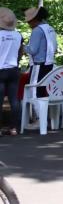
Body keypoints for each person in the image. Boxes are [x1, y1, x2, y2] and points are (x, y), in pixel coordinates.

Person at [24, 6, 57, 97]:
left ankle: (36, 106)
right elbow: (55, 46)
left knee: (35, 91)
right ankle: (44, 106)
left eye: (28, 21)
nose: (28, 23)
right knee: (43, 89)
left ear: (34, 20)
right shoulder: (50, 28)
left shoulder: (37, 30)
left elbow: (32, 50)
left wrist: (22, 47)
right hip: (49, 64)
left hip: (38, 65)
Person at [0, 8, 23, 136]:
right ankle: (13, 128)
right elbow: (21, 51)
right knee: (14, 100)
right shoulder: (18, 35)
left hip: (1, 70)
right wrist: (17, 62)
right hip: (14, 70)